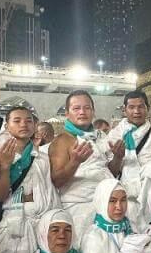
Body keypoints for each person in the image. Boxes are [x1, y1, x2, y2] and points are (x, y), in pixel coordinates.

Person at [0, 106, 59, 253]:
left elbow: (49, 191)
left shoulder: (42, 158)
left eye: (29, 121)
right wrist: (5, 168)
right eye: (17, 121)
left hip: (39, 224)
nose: (24, 124)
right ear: (7, 126)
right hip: (11, 226)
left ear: (35, 126)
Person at [49, 90, 123, 238]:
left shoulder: (100, 137)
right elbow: (57, 181)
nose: (82, 112)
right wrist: (75, 162)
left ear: (93, 112)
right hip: (80, 209)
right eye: (76, 108)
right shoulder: (62, 141)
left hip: (106, 204)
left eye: (87, 108)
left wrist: (118, 157)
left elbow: (109, 172)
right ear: (67, 114)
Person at [106, 90, 151, 227]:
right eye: (131, 107)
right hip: (126, 199)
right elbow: (110, 173)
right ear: (124, 110)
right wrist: (118, 157)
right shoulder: (115, 135)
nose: (136, 111)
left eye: (141, 106)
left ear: (148, 108)